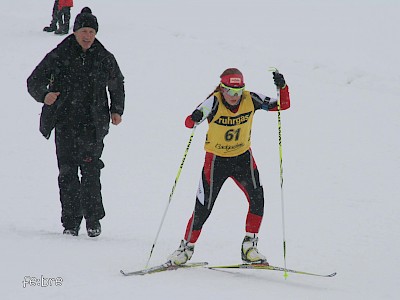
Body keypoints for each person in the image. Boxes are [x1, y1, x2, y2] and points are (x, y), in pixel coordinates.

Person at [167, 68, 290, 265]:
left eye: (238, 91)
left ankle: (249, 246)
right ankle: (186, 248)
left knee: (258, 199)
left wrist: (282, 87)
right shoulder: (214, 101)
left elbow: (283, 106)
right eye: (230, 91)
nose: (235, 96)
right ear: (222, 89)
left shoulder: (251, 98)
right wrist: (197, 116)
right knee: (203, 208)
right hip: (216, 161)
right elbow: (188, 123)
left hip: (243, 158)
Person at [28, 7, 125, 237]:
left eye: (92, 31)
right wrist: (45, 96)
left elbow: (117, 83)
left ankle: (93, 221)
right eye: (84, 30)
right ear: (75, 31)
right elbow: (33, 80)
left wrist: (117, 109)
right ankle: (71, 223)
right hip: (65, 123)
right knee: (68, 173)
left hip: (92, 125)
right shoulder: (60, 54)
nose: (88, 36)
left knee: (91, 171)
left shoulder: (104, 57)